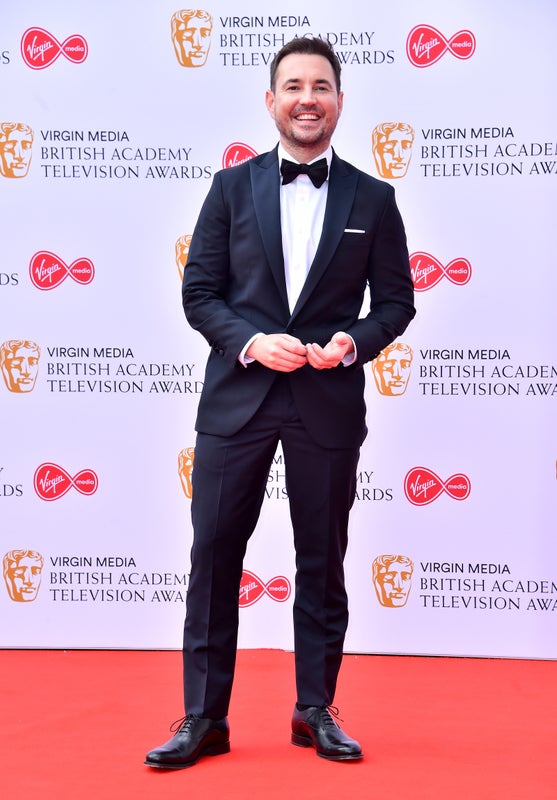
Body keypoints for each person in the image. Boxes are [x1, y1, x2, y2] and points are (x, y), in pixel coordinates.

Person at [145, 36, 415, 770]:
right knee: (211, 558)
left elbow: (394, 302)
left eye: (320, 86)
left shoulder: (373, 197)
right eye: (292, 85)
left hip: (325, 400)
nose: (306, 98)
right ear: (270, 101)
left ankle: (314, 708)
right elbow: (199, 294)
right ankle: (203, 717)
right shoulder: (230, 188)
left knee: (321, 559)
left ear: (338, 99)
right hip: (238, 398)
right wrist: (253, 342)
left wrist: (352, 342)